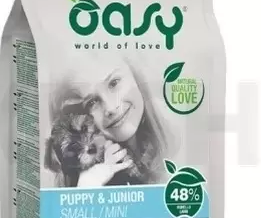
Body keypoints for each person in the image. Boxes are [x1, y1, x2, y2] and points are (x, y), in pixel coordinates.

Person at [47, 53, 178, 187]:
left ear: (136, 75)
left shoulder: (175, 146)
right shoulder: (91, 179)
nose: (111, 108)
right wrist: (86, 189)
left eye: (114, 83)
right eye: (92, 102)